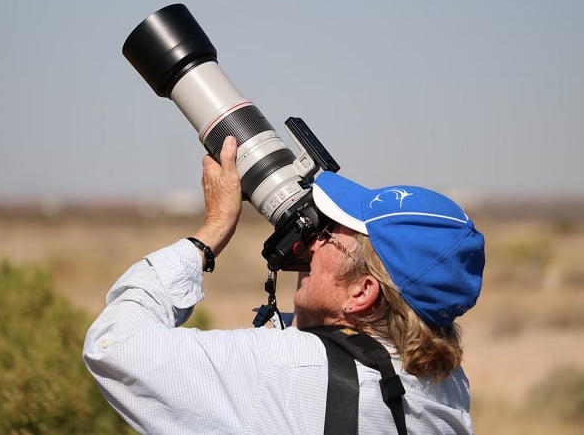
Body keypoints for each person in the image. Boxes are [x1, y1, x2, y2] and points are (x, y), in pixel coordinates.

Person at [83, 135, 485, 434]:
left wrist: (209, 234)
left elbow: (114, 345)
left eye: (328, 235)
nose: (311, 243)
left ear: (362, 292)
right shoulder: (444, 383)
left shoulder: (289, 369)